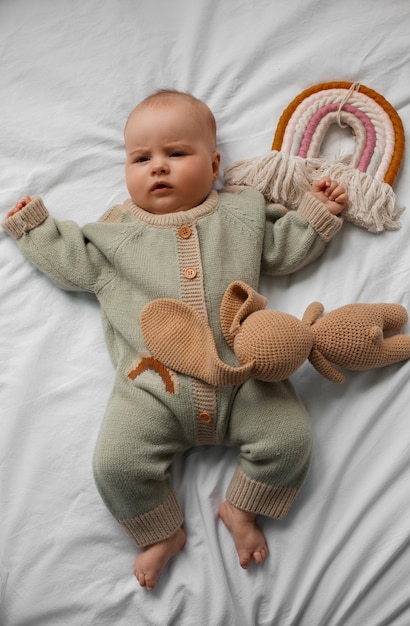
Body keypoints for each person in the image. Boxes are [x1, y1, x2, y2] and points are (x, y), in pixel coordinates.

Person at [2, 89, 347, 591]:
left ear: (213, 165)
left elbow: (282, 249)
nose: (157, 168)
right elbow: (73, 264)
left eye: (176, 154)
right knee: (116, 466)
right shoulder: (114, 233)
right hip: (152, 389)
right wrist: (36, 228)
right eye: (141, 158)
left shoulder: (242, 214)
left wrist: (315, 214)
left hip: (243, 379)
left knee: (291, 440)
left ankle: (241, 508)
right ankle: (161, 533)